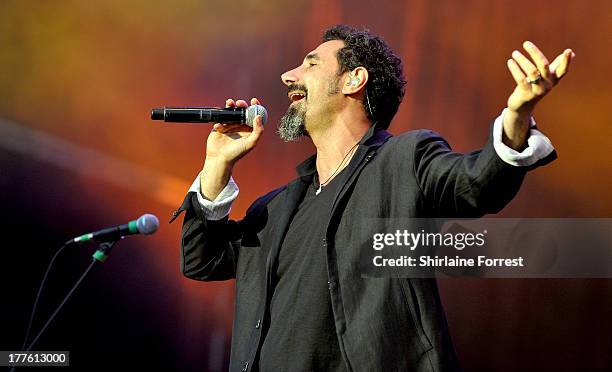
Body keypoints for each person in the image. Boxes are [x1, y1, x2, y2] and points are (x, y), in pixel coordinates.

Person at [171, 25, 574, 372]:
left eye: (310, 64)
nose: (286, 75)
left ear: (353, 80)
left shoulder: (404, 160)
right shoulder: (273, 210)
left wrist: (517, 117)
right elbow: (201, 260)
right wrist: (217, 164)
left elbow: (478, 183)